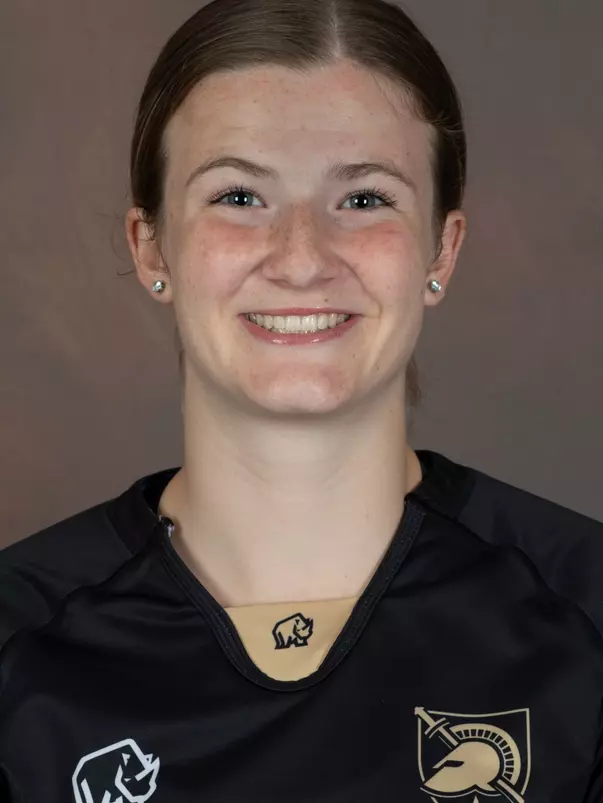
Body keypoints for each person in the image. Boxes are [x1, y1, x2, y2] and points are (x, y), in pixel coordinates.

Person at [1, 0, 602, 800]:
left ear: (441, 249)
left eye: (363, 199)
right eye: (239, 196)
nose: (300, 258)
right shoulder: (20, 639)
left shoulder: (582, 610)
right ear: (152, 245)